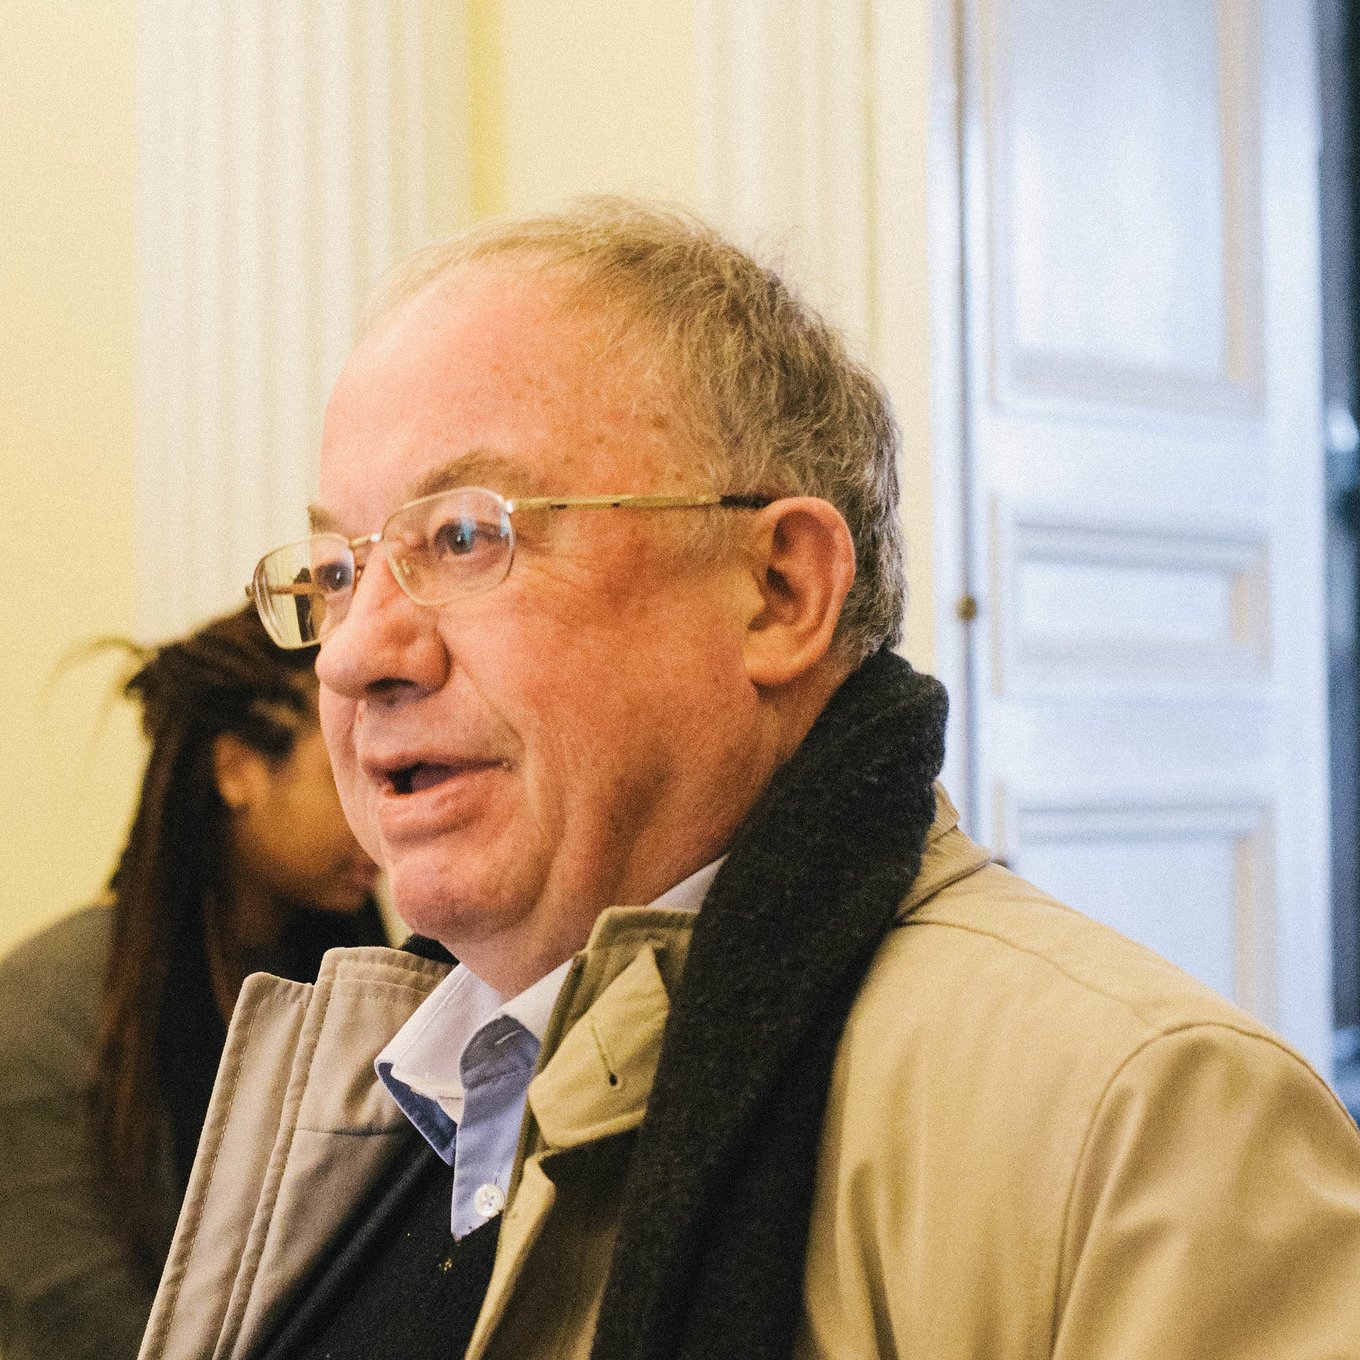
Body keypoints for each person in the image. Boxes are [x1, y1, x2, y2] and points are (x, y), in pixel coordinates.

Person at [139, 200, 1360, 1360]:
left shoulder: (1141, 1120)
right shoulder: (398, 1091)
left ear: (777, 591)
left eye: (465, 536)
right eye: (341, 572)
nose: (356, 653)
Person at [0, 606, 386, 1360]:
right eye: (348, 770)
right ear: (237, 768)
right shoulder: (44, 1016)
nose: (382, 810)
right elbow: (90, 1323)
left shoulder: (365, 984)